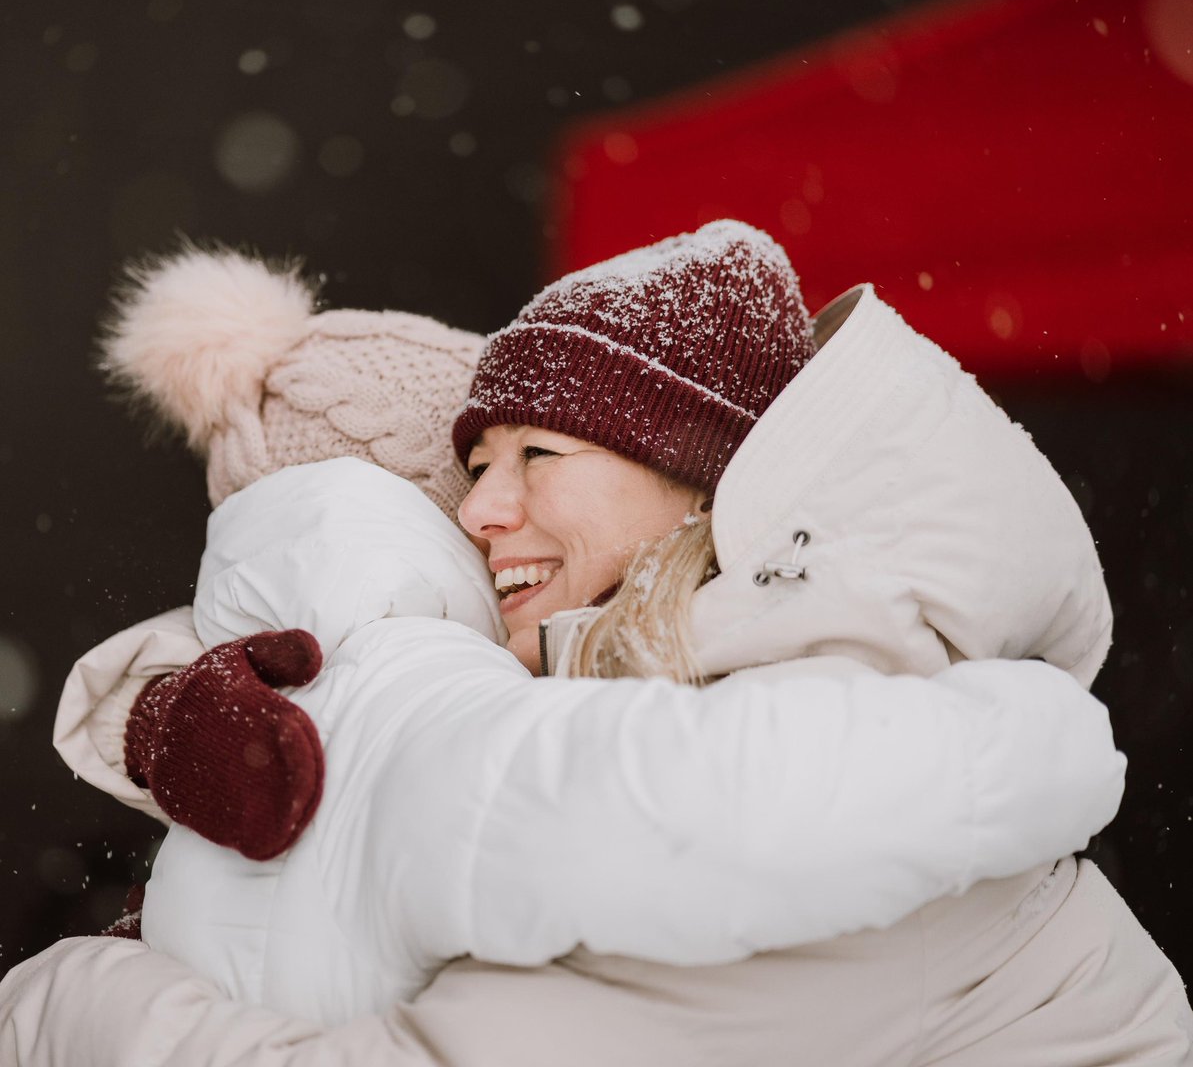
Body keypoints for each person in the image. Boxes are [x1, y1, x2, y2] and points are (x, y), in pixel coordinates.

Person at [3, 224, 1190, 1064]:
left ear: (698, 481)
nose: (478, 513)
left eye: (539, 457)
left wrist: (63, 1004)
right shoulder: (671, 702)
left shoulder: (818, 738)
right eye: (471, 469)